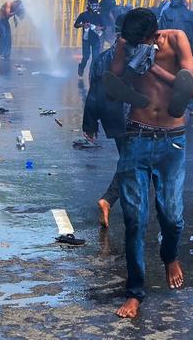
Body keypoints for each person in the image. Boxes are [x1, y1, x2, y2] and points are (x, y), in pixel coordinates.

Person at [107, 8, 193, 318]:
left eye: (142, 42)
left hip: (173, 139)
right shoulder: (128, 43)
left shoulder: (177, 40)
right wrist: (126, 49)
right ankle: (135, 292)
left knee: (172, 216)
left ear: (155, 35)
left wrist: (153, 68)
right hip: (137, 135)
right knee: (135, 219)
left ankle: (170, 255)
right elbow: (115, 77)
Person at [82, 15, 126, 228]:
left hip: (113, 119)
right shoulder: (141, 57)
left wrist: (90, 123)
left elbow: (94, 92)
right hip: (134, 119)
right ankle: (109, 199)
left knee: (130, 160)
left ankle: (116, 200)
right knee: (133, 162)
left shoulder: (102, 58)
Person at [74, 0, 104, 77]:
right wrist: (83, 25)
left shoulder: (98, 15)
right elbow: (76, 25)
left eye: (96, 6)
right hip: (86, 39)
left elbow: (104, 27)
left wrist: (99, 27)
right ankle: (81, 67)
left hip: (95, 39)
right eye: (94, 6)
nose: (95, 8)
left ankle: (91, 73)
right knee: (86, 57)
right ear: (89, 5)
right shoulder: (83, 15)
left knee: (95, 58)